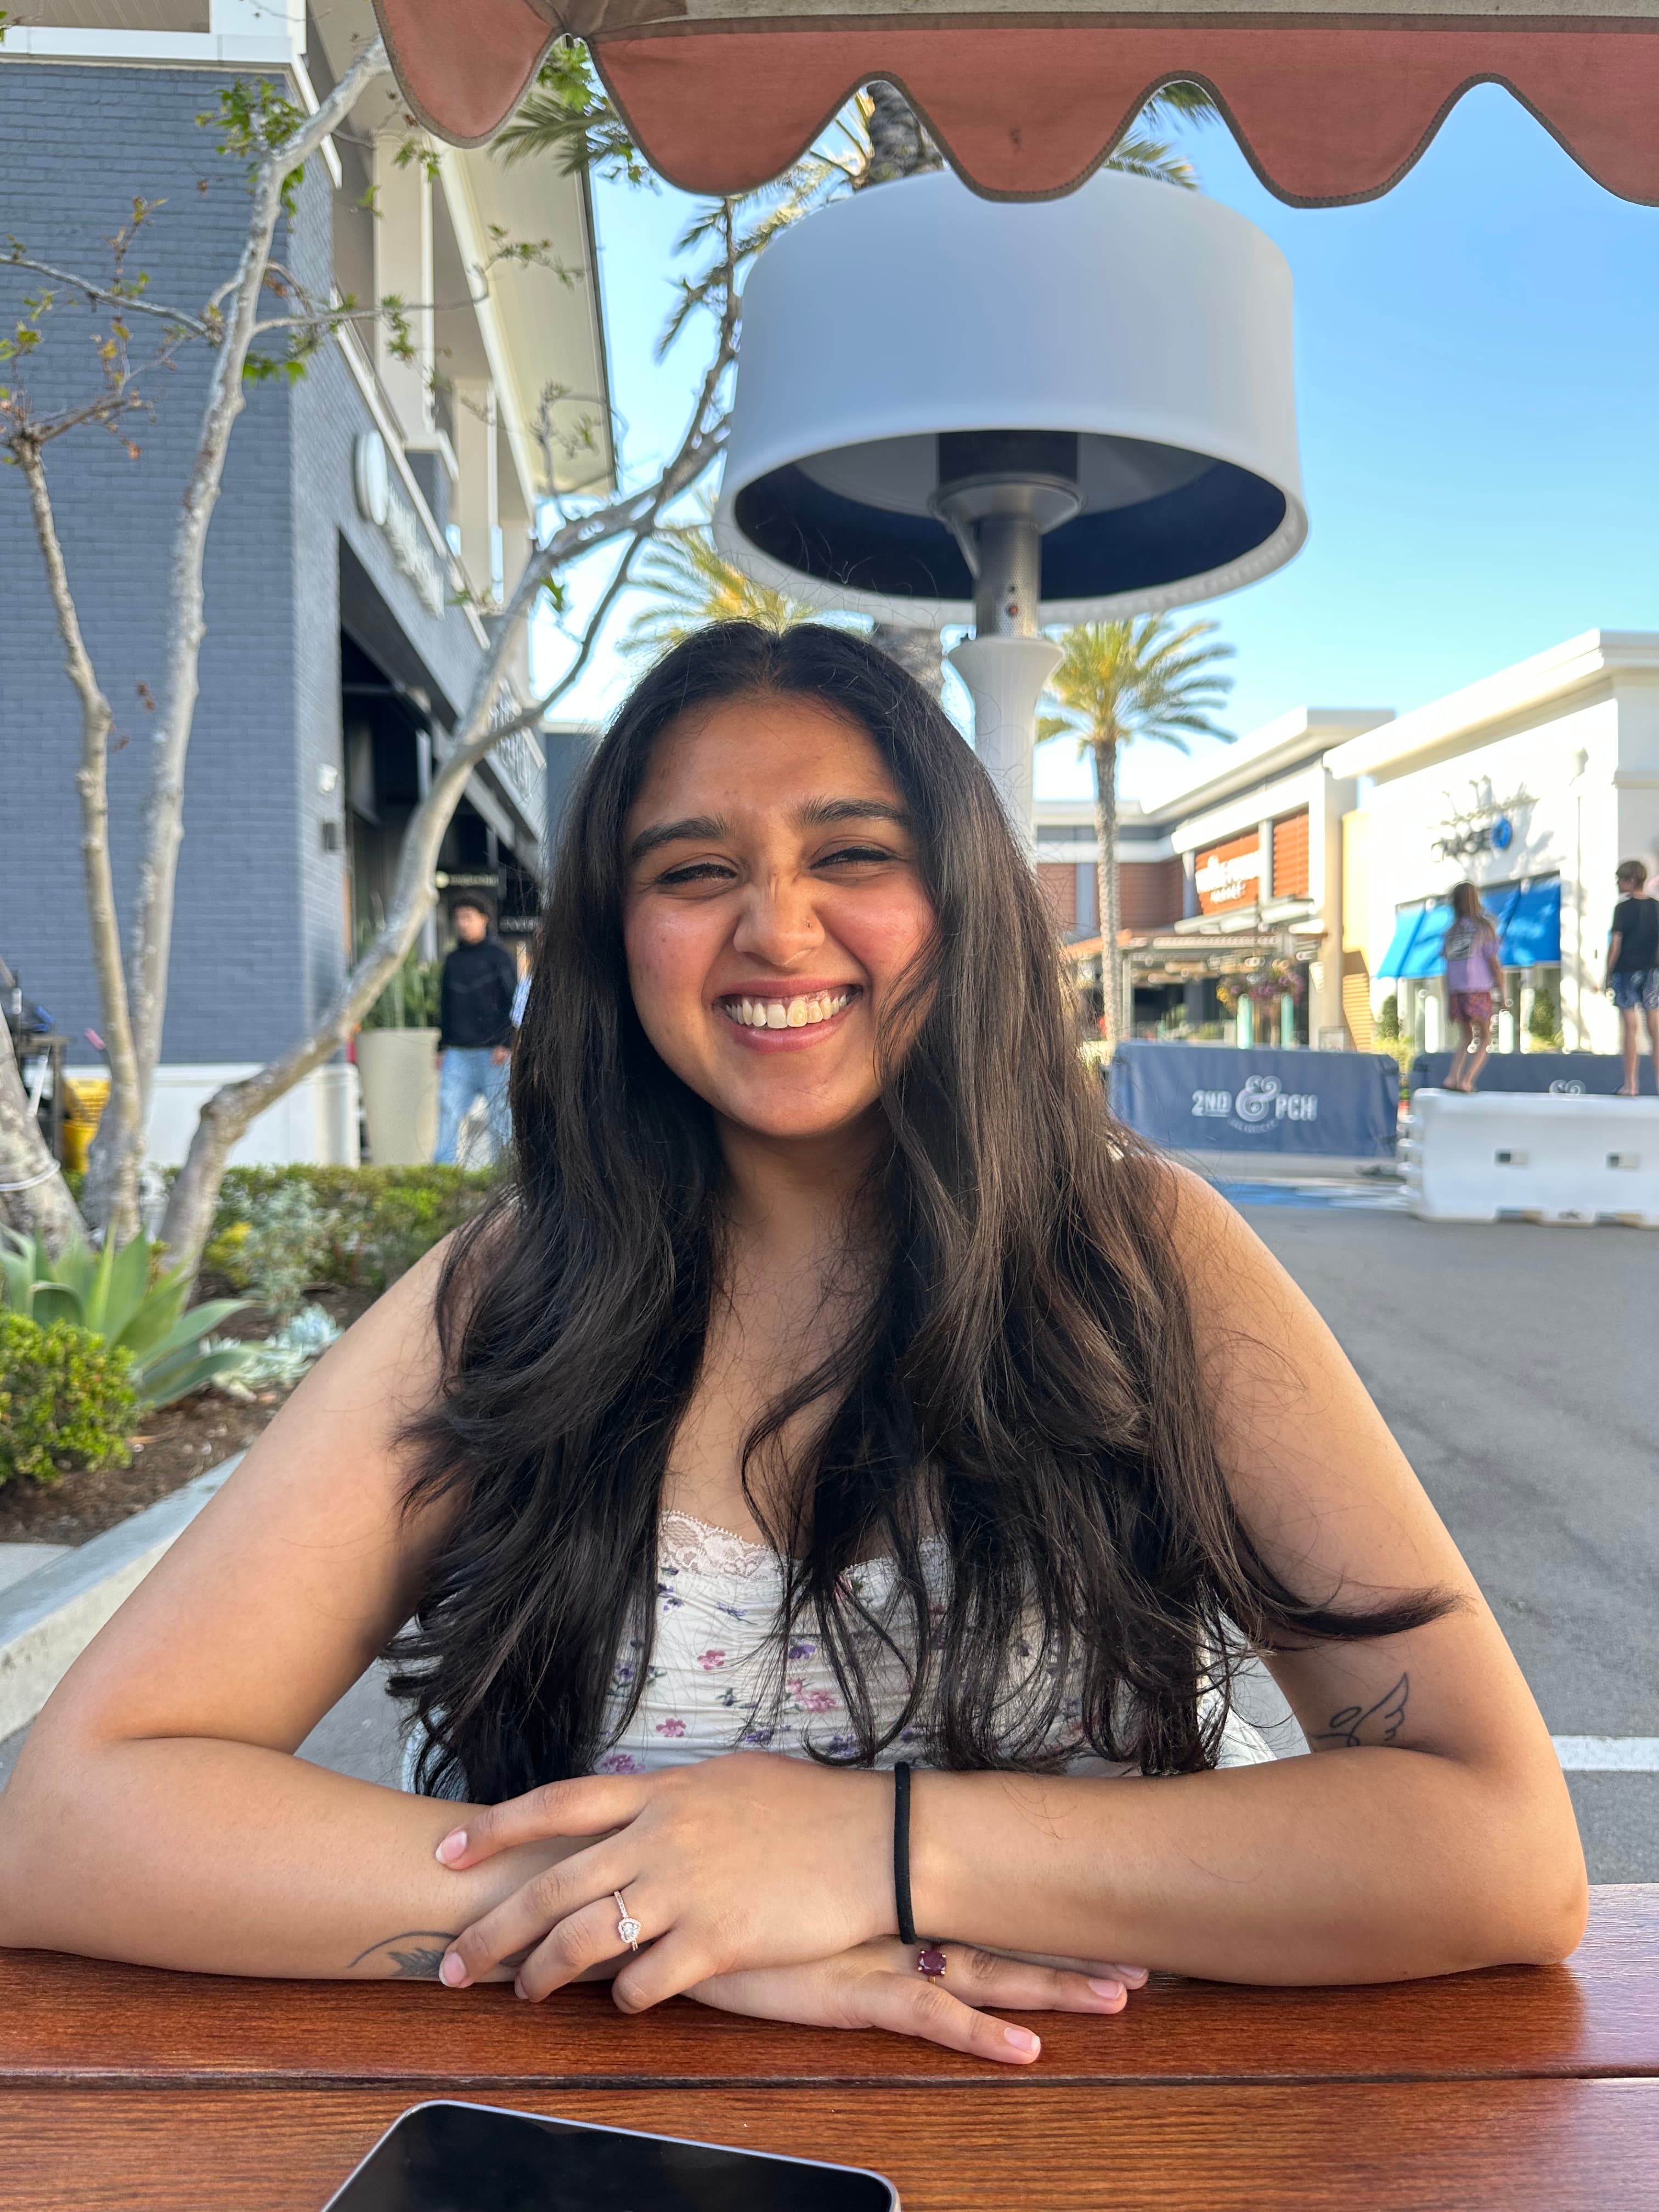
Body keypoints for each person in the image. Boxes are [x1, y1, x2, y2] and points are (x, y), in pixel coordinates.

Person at [0, 626, 1584, 2067]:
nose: (776, 925)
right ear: (618, 936)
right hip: (620, 2149)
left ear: (960, 901)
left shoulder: (1142, 1261)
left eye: (854, 852)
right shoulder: (507, 1297)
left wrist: (869, 1852)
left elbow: (1498, 1852)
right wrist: (656, 1902)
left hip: (1092, 2137)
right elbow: (70, 1821)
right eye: (692, 871)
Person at [435, 895, 518, 1164]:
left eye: (469, 917)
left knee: (501, 1120)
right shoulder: (453, 960)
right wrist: (442, 1046)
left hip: (494, 1054)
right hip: (458, 1053)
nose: (463, 923)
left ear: (485, 920)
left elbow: (513, 1001)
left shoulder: (500, 957)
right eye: (459, 918)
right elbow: (446, 1005)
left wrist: (507, 1042)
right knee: (448, 1112)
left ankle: (503, 1179)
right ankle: (442, 1175)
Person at [1441, 883, 1505, 1093]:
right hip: (1478, 988)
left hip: (1456, 990)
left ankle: (1453, 1077)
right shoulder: (1484, 928)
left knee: (1466, 1036)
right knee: (1485, 1037)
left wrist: (1448, 997)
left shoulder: (1452, 931)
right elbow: (1493, 961)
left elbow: (1447, 964)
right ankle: (1467, 1080)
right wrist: (1502, 991)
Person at [1605, 859, 1659, 1097]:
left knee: (1630, 1028)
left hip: (1627, 971)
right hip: (1653, 972)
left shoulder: (1623, 909)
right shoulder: (1657, 907)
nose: (1617, 883)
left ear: (1631, 880)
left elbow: (1616, 944)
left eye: (1620, 879)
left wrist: (1607, 973)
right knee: (1655, 1028)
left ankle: (1631, 1085)